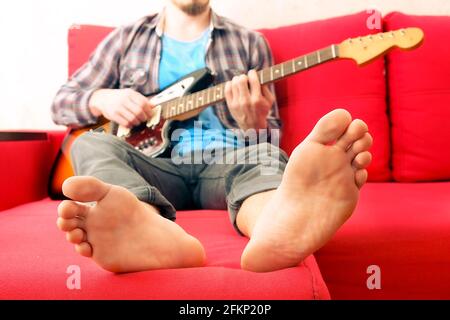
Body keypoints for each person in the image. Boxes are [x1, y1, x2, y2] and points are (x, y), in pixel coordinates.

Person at [53, 0, 373, 273]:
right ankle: (141, 223)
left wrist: (254, 121)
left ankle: (274, 224)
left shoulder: (249, 43)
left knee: (262, 152)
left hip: (226, 161)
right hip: (151, 166)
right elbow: (62, 102)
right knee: (90, 142)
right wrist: (102, 98)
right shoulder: (126, 39)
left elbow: (268, 131)